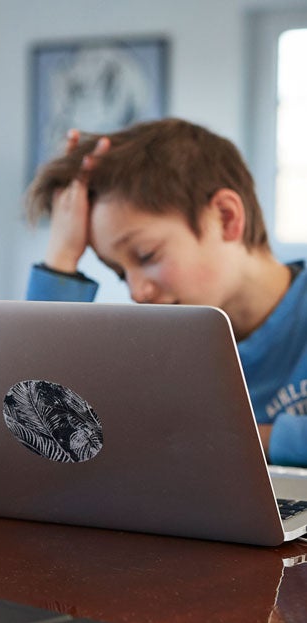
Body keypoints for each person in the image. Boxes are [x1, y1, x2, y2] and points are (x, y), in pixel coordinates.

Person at [24, 118, 307, 465]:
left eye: (147, 255)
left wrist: (242, 439)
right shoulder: (160, 345)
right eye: (119, 273)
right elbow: (37, 426)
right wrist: (61, 259)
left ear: (226, 216)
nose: (137, 293)